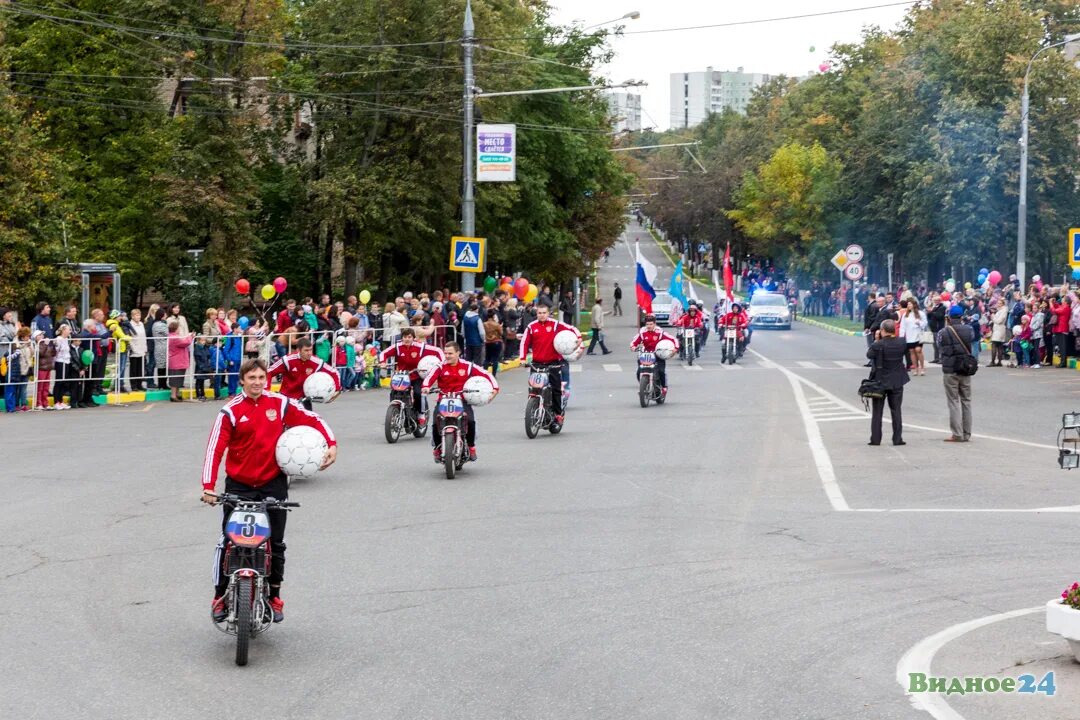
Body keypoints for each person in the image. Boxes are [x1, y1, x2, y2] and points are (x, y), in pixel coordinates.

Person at [201, 358, 337, 623]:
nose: (257, 383)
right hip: (238, 487)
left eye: (261, 378)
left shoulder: (280, 403)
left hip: (272, 485)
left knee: (275, 544)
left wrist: (331, 443)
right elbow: (214, 449)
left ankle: (274, 596)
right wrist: (208, 487)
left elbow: (312, 418)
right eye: (252, 378)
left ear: (267, 379)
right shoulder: (229, 411)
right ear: (242, 381)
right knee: (228, 543)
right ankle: (219, 596)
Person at [421, 341, 499, 462]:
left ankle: (471, 446)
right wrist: (426, 387)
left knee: (471, 421)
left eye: (450, 353)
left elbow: (486, 374)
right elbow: (429, 378)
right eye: (445, 353)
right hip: (443, 400)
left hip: (462, 401)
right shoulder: (440, 366)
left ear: (458, 353)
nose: (447, 356)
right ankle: (437, 448)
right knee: (436, 423)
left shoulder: (468, 366)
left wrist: (495, 388)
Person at [518, 303, 582, 428]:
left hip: (553, 363)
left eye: (544, 313)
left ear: (548, 313)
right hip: (536, 364)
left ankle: (558, 415)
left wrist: (578, 338)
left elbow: (572, 328)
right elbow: (524, 343)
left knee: (556, 389)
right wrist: (522, 359)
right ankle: (533, 408)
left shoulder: (555, 324)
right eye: (539, 313)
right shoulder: (531, 327)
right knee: (533, 388)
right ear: (537, 314)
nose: (541, 315)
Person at [379, 328, 445, 425]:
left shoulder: (421, 347)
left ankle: (421, 414)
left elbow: (438, 351)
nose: (407, 339)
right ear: (402, 338)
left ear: (413, 338)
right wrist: (383, 363)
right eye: (405, 337)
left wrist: (443, 364)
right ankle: (394, 412)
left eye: (409, 337)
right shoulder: (397, 347)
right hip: (401, 376)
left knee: (418, 393)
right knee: (393, 392)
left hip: (416, 376)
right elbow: (383, 353)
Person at [266, 337, 341, 411]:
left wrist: (337, 390)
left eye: (311, 350)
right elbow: (269, 372)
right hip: (287, 398)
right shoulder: (287, 360)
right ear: (298, 350)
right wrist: (267, 390)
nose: (309, 353)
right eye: (306, 350)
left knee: (309, 422)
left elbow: (334, 372)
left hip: (305, 400)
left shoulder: (316, 362)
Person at [866, 319, 909, 446]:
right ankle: (897, 438)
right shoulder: (902, 342)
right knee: (896, 410)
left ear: (883, 330)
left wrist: (876, 339)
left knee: (877, 411)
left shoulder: (878, 344)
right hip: (897, 379)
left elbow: (869, 355)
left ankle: (875, 438)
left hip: (880, 381)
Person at [938, 304, 974, 442]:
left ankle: (957, 433)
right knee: (966, 400)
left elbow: (940, 346)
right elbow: (972, 339)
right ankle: (967, 433)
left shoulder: (943, 332)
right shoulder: (969, 329)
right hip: (965, 367)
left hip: (950, 368)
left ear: (949, 317)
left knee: (953, 401)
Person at [630, 314, 679, 397]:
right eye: (647, 324)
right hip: (645, 355)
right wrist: (633, 347)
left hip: (658, 355)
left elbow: (674, 339)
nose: (649, 326)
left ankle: (664, 387)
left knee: (661, 371)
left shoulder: (660, 333)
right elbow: (633, 342)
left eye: (651, 324)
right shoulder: (642, 333)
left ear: (654, 324)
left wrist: (675, 348)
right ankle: (643, 386)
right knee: (639, 371)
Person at [166, 321, 195, 402]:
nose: (179, 329)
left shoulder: (173, 336)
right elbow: (185, 342)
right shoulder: (174, 338)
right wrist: (191, 337)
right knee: (175, 379)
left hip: (177, 361)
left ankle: (177, 394)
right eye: (178, 328)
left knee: (178, 379)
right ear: (175, 329)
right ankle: (173, 395)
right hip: (177, 361)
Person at [898, 299, 927, 376]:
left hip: (918, 335)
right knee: (912, 352)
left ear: (914, 304)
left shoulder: (921, 313)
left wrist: (919, 323)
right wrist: (901, 336)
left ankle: (922, 367)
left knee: (918, 350)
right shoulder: (905, 315)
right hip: (909, 336)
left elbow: (925, 324)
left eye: (910, 304)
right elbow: (902, 326)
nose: (909, 306)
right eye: (908, 304)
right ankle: (915, 368)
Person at [482, 309, 503, 375]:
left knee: (487, 358)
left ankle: (484, 373)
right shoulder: (496, 324)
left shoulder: (484, 324)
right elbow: (501, 333)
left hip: (488, 342)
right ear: (494, 316)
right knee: (495, 359)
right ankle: (493, 374)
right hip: (496, 341)